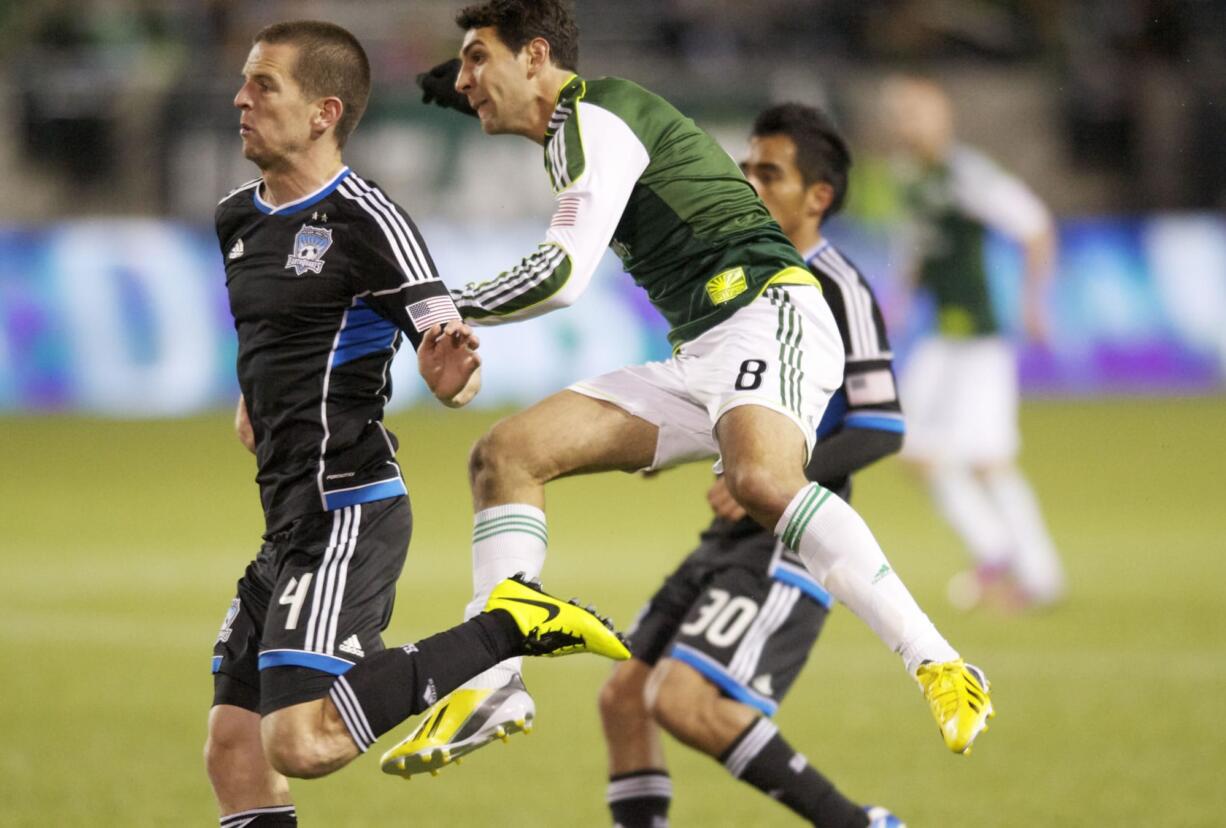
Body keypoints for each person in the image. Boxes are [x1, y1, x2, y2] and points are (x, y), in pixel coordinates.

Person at [383, 0, 992, 778]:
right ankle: (496, 681)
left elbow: (563, 274)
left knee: (763, 480)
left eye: (478, 60)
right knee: (507, 455)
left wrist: (438, 305)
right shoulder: (571, 126)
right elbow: (490, 90)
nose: (466, 81)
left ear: (534, 56)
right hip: (701, 347)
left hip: (771, 310)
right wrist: (460, 76)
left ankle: (940, 664)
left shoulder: (597, 117)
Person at [206, 20, 629, 827]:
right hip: (284, 517)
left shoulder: (372, 222)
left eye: (265, 87)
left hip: (346, 511)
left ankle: (511, 625)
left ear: (325, 111)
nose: (240, 99)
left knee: (298, 742)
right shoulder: (237, 220)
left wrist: (451, 377)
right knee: (233, 749)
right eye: (244, 83)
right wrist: (253, 398)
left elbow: (446, 353)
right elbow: (269, 333)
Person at [598, 103, 907, 828]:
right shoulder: (744, 280)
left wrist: (772, 478)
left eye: (769, 172)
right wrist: (673, 444)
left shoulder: (837, 287)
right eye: (744, 168)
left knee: (681, 700)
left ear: (818, 196)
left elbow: (881, 425)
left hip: (789, 537)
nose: (747, 182)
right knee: (623, 697)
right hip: (731, 535)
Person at [880, 74, 1066, 611]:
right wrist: (901, 297)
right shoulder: (908, 177)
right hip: (942, 337)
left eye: (916, 112)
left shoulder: (967, 174)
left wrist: (1036, 303)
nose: (906, 123)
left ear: (943, 117)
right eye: (901, 113)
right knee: (910, 446)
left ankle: (1040, 576)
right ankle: (994, 551)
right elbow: (919, 243)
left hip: (981, 337)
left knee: (987, 460)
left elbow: (1036, 228)